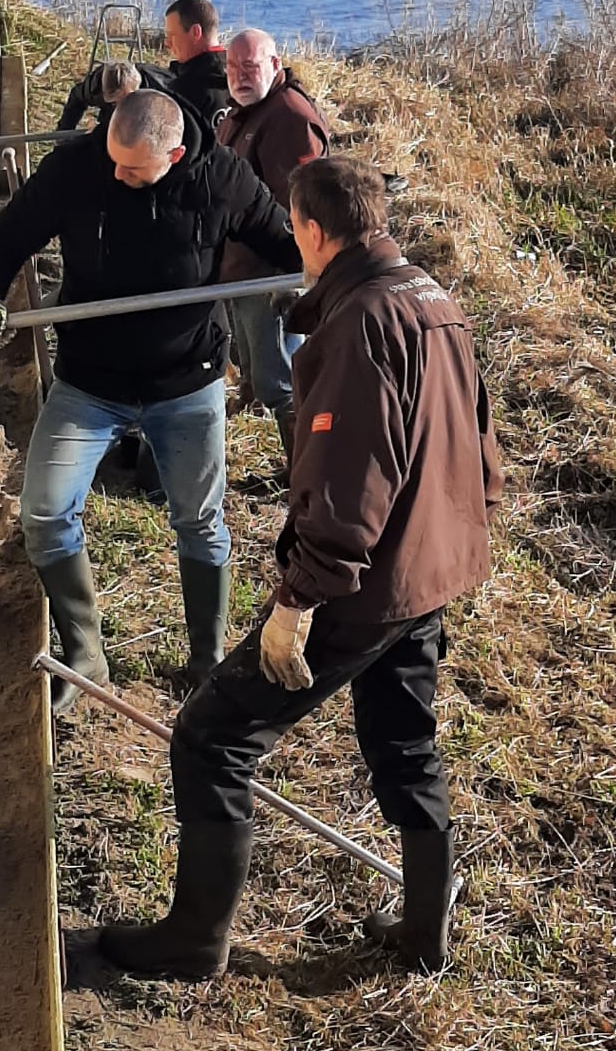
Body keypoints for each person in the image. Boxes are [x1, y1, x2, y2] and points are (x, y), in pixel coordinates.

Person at [96, 156, 501, 982]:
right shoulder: (432, 298)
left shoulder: (355, 326)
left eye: (295, 228)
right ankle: (424, 931)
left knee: (212, 738)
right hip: (430, 568)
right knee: (405, 740)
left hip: (366, 580)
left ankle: (193, 941)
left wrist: (299, 598)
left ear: (313, 231)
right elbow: (481, 446)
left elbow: (349, 478)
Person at [0, 89, 300, 694]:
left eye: (131, 168)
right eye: (112, 158)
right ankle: (86, 654)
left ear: (172, 155)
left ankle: (205, 659)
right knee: (44, 511)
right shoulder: (77, 169)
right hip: (90, 380)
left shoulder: (220, 178)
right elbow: (7, 238)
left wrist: (301, 285)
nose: (115, 173)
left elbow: (284, 239)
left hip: (187, 381)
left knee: (199, 519)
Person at [217, 29, 330, 455]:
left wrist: (290, 280)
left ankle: (307, 470)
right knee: (254, 364)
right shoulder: (243, 112)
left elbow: (300, 207)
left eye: (250, 66)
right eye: (232, 67)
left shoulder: (288, 118)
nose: (239, 76)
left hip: (270, 274)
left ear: (275, 65)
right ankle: (254, 401)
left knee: (279, 380)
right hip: (241, 268)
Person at [57, 0, 233, 137]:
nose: (167, 44)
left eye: (172, 36)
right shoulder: (241, 78)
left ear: (195, 32)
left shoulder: (180, 92)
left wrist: (95, 137)